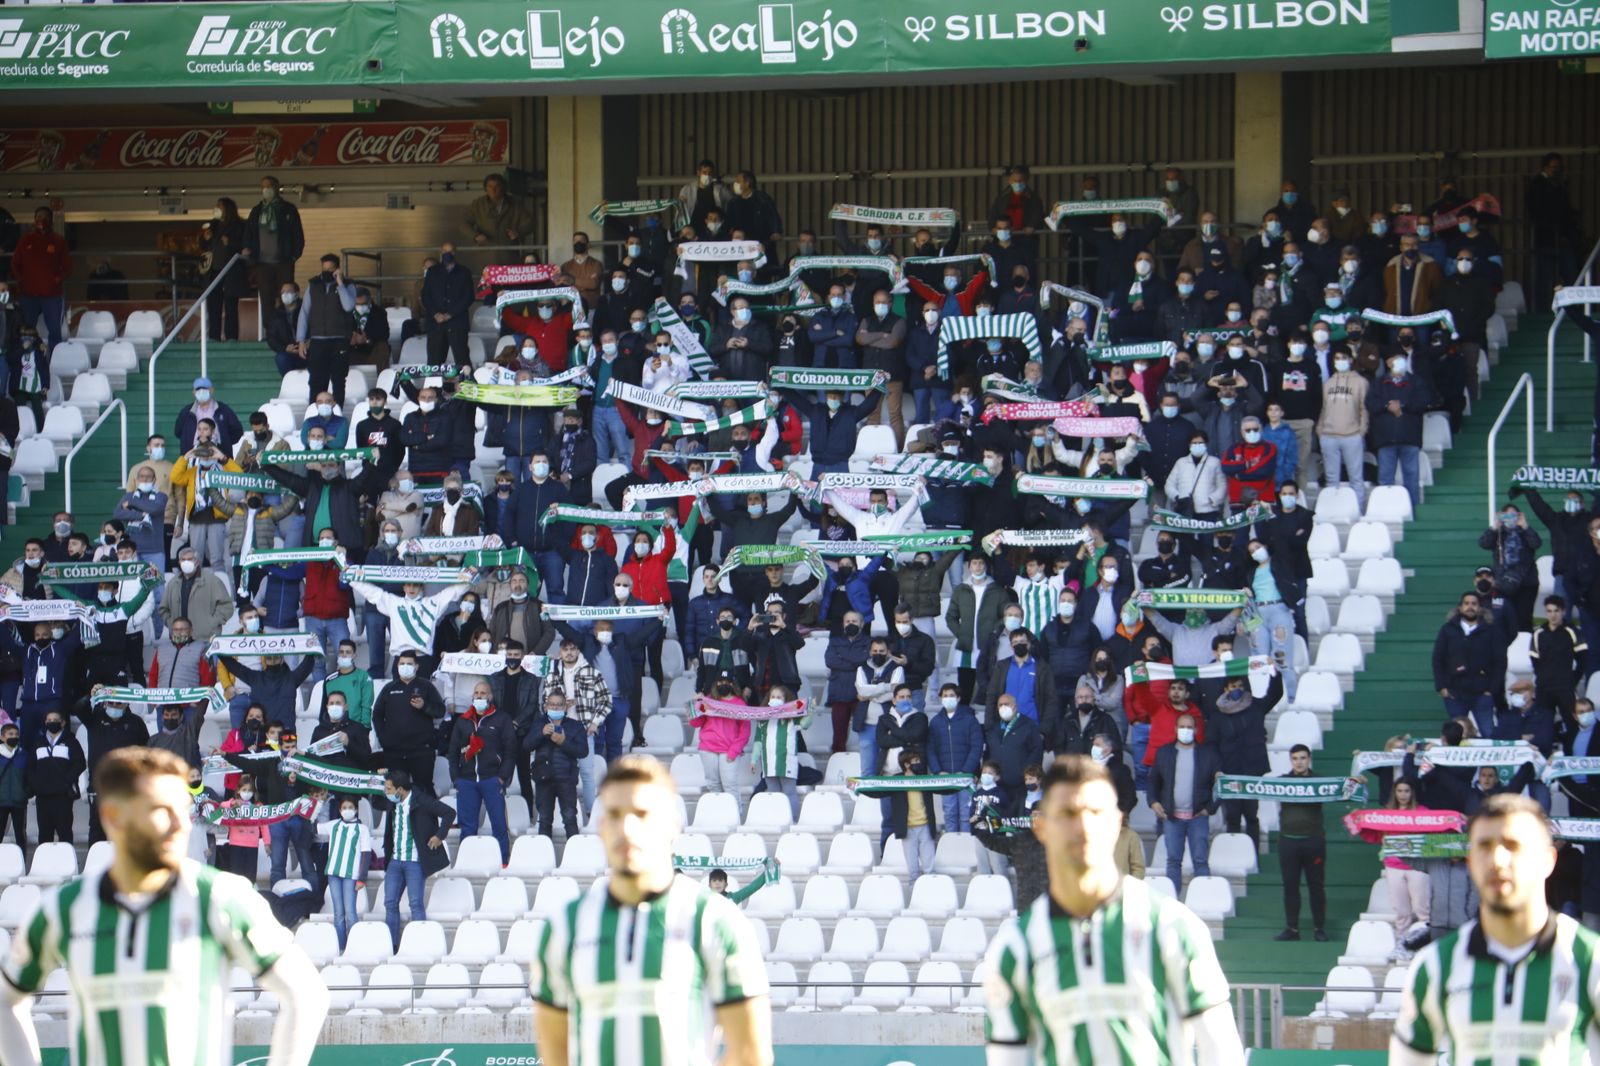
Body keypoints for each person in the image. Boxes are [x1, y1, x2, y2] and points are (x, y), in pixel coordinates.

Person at [0, 747, 328, 1065]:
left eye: (183, 808)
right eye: (161, 810)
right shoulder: (61, 910)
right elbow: (5, 1002)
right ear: (113, 816)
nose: (180, 824)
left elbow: (307, 992)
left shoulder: (222, 898)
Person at [983, 756, 1243, 1063]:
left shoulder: (1173, 926)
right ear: (1041, 827)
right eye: (1067, 813)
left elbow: (1221, 1050)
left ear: (1117, 821)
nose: (1082, 826)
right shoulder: (1015, 948)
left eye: (1094, 811)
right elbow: (1006, 1058)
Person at [531, 756, 772, 1066]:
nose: (627, 828)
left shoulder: (715, 920)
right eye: (615, 814)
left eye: (642, 814)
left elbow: (749, 1053)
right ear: (602, 827)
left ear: (671, 825)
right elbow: (554, 1052)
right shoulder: (564, 927)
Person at [1392, 793, 1600, 1065]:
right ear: (1470, 861)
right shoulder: (1435, 965)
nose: (1498, 860)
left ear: (1547, 861)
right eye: (1484, 846)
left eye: (1513, 845)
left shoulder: (1590, 958)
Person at [380, 767, 456, 951]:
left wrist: (439, 836)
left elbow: (449, 813)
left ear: (400, 789)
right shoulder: (392, 803)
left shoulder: (421, 800)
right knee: (390, 903)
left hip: (414, 860)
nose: (386, 792)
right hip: (395, 860)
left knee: (415, 903)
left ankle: (420, 944)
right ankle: (392, 945)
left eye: (389, 789)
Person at [1147, 712, 1221, 895]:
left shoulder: (1208, 755)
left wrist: (1209, 809)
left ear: (1196, 730)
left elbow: (1221, 785)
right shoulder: (1164, 753)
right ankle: (1173, 904)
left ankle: (1205, 899)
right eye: (1182, 727)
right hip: (1172, 818)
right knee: (1173, 861)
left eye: (1189, 727)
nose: (1185, 731)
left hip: (1198, 817)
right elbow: (1153, 781)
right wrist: (1153, 802)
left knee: (1200, 861)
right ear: (1175, 729)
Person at [449, 679, 517, 866]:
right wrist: (456, 778)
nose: (479, 696)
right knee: (468, 826)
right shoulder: (463, 721)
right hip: (467, 781)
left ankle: (503, 861)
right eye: (477, 693)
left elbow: (511, 751)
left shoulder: (501, 719)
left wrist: (502, 777)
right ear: (472, 696)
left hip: (492, 780)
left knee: (499, 824)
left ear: (490, 696)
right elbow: (453, 751)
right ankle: (467, 862)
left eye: (483, 693)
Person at [1272, 744, 1331, 943]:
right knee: (1290, 886)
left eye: (1303, 758)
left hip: (1314, 840)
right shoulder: (1282, 782)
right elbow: (1253, 786)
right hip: (1288, 841)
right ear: (1291, 760)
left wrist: (1356, 781)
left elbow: (1343, 789)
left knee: (1316, 885)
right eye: (1295, 758)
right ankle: (1292, 928)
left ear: (1309, 759)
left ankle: (1319, 928)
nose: (1299, 762)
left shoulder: (1321, 781)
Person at [1432, 591, 1508, 739]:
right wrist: (1442, 687)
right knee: (1456, 736)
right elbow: (1437, 659)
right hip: (1455, 693)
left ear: (1480, 608)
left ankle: (1489, 763)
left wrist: (1491, 690)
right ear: (1460, 607)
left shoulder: (1491, 631)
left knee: (1488, 733)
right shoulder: (1448, 630)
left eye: (1474, 604)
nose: (1470, 607)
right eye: (1466, 603)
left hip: (1482, 693)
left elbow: (1500, 662)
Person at [316, 793, 374, 952]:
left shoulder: (362, 829)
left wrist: (362, 878)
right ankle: (342, 948)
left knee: (350, 912)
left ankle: (355, 947)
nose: (347, 810)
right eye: (344, 808)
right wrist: (317, 804)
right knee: (338, 914)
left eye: (350, 808)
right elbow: (313, 826)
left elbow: (366, 854)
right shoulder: (333, 825)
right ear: (340, 810)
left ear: (355, 809)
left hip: (351, 875)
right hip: (333, 873)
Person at [243, 176, 306, 324]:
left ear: (277, 187)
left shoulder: (288, 209)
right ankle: (269, 331)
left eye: (269, 186)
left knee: (287, 296)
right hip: (262, 263)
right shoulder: (257, 211)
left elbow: (298, 236)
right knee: (266, 298)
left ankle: (289, 327)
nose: (266, 190)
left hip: (283, 261)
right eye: (263, 187)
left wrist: (293, 256)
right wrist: (247, 249)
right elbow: (248, 233)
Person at [530, 687, 590, 839]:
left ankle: (575, 858)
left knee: (570, 819)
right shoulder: (539, 724)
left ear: (565, 707)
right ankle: (543, 858)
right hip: (543, 779)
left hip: (567, 779)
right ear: (546, 707)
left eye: (558, 705)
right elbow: (525, 746)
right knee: (544, 821)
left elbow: (583, 751)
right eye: (551, 705)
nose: (555, 707)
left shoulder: (575, 726)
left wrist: (563, 742)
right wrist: (540, 733)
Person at [1480, 504, 1543, 635]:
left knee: (1524, 619)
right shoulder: (1499, 533)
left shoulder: (1525, 532)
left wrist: (1525, 525)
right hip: (1503, 582)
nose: (1510, 519)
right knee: (1504, 617)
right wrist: (1494, 526)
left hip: (1526, 582)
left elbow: (1536, 543)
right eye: (1507, 515)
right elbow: (1484, 543)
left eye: (1514, 515)